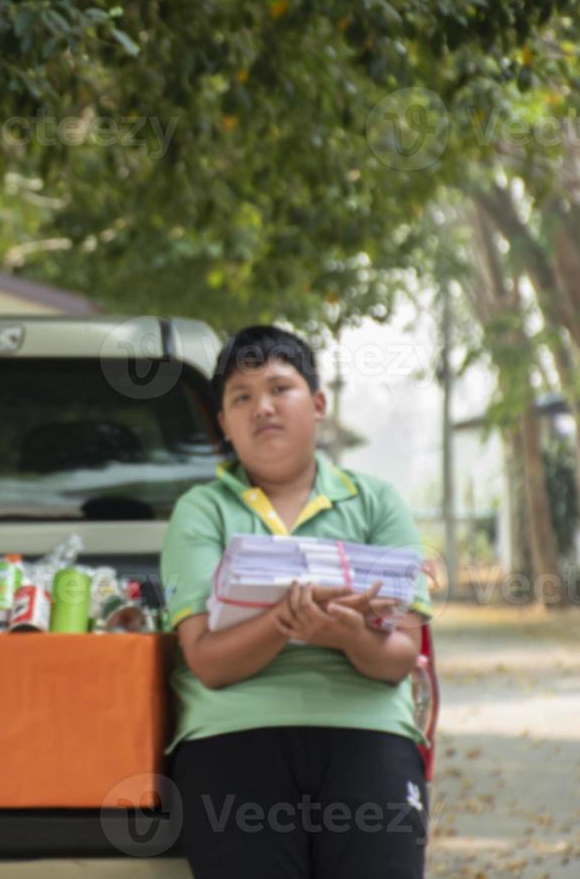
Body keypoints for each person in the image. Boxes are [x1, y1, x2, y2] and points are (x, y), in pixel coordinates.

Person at [160, 324, 433, 878]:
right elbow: (208, 663)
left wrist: (349, 634)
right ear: (224, 426)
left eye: (279, 388)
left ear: (317, 403)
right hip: (232, 735)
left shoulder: (378, 503)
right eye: (241, 397)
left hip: (369, 730)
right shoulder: (201, 510)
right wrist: (284, 622)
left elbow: (400, 657)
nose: (262, 407)